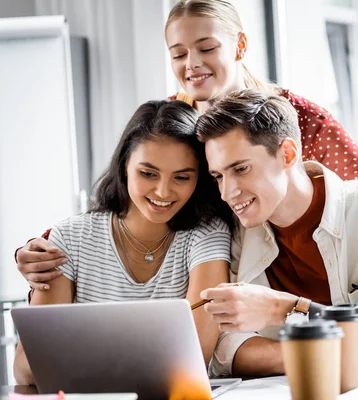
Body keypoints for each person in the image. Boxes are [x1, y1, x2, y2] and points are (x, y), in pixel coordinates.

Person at [15, 0, 358, 290]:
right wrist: (41, 249)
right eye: (178, 53)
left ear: (239, 45)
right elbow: (125, 204)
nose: (192, 64)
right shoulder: (172, 124)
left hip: (298, 282)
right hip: (207, 282)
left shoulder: (294, 116)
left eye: (206, 47)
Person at [194, 89, 358, 379]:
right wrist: (321, 353)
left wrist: (286, 310)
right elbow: (222, 351)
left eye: (241, 169)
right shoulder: (239, 235)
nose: (227, 192)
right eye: (218, 176)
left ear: (287, 154)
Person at [13, 100, 233, 385]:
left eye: (181, 177)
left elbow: (195, 355)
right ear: (124, 166)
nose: (163, 191)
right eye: (148, 173)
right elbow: (28, 367)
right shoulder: (70, 236)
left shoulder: (207, 233)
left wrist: (78, 356)